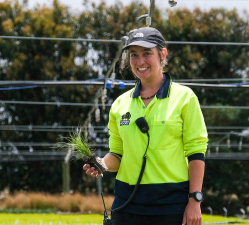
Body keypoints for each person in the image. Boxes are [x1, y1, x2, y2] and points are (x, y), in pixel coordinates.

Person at [83, 27, 208, 225]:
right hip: (127, 204)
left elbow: (196, 152)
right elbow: (117, 154)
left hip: (170, 205)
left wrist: (195, 200)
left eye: (147, 53)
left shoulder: (185, 98)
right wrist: (103, 164)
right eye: (134, 55)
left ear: (162, 54)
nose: (140, 62)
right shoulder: (119, 105)